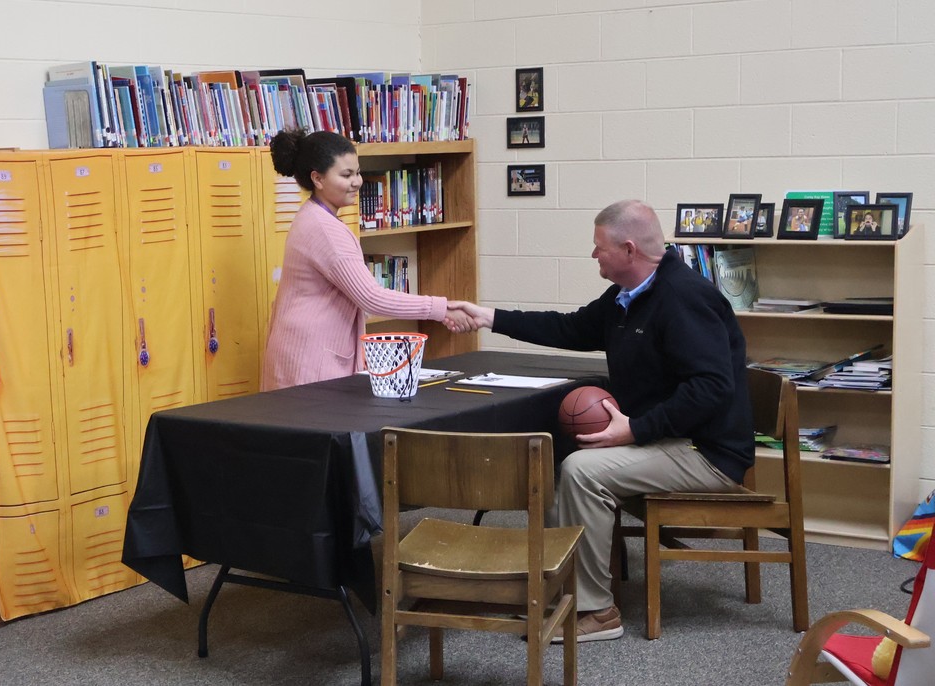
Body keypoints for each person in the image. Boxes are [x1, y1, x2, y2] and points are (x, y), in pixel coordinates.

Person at [453, 199, 754, 642]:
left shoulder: (684, 297)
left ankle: (596, 611)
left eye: (599, 246)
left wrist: (634, 429)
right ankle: (561, 594)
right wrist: (490, 318)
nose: (593, 254)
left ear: (629, 250)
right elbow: (571, 328)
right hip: (665, 440)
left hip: (706, 452)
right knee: (558, 461)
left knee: (582, 471)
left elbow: (712, 389)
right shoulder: (626, 297)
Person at [261, 129, 471, 391]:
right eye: (346, 175)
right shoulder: (325, 229)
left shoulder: (314, 216)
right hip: (310, 362)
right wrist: (442, 308)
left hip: (303, 354)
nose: (357, 182)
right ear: (318, 178)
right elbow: (372, 297)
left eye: (358, 173)